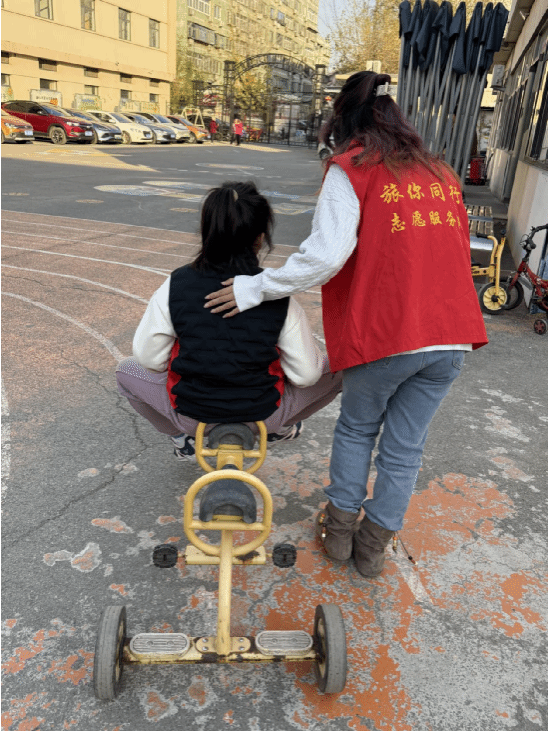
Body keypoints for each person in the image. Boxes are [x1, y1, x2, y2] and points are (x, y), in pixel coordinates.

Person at [204, 71, 488, 578]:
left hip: (388, 333)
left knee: (358, 430)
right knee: (405, 448)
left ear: (344, 123)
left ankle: (338, 534)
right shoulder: (441, 173)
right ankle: (373, 546)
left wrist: (255, 287)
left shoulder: (353, 168)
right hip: (451, 335)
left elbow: (325, 256)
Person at [116, 181, 342, 462]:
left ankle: (180, 438)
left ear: (206, 232)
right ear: (260, 238)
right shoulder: (277, 294)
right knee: (342, 366)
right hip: (263, 415)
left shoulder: (176, 284)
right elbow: (306, 376)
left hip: (191, 415)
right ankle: (280, 428)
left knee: (126, 370)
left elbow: (149, 359)